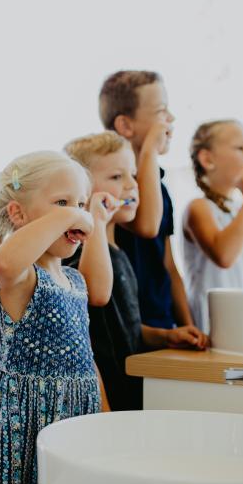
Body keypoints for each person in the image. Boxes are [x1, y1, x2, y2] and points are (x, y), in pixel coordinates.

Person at [0, 151, 115, 484]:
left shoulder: (75, 280)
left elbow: (100, 295)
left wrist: (94, 218)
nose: (74, 212)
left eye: (78, 202)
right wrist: (72, 215)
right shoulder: (23, 276)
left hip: (75, 411)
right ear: (19, 214)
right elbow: (2, 265)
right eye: (61, 203)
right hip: (28, 421)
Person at [65, 132, 209, 411]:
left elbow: (122, 326)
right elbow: (96, 297)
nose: (133, 185)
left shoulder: (119, 254)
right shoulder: (80, 253)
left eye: (132, 175)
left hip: (128, 392)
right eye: (117, 177)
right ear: (82, 190)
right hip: (104, 398)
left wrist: (165, 336)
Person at [98, 70, 206, 345]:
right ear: (125, 125)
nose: (170, 119)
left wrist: (189, 327)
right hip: (130, 333)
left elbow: (169, 265)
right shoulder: (110, 188)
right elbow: (146, 226)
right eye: (161, 111)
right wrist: (149, 151)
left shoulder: (162, 190)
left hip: (164, 326)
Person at [183, 120, 243, 332]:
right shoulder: (198, 208)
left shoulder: (241, 214)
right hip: (209, 327)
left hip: (241, 322)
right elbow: (224, 256)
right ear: (208, 159)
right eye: (241, 148)